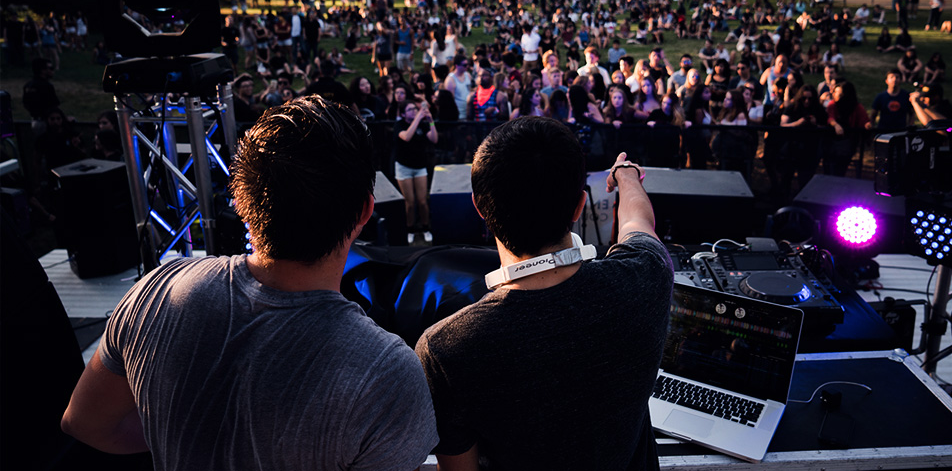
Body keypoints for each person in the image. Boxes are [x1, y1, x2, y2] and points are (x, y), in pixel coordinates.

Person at [62, 96, 438, 469]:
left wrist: (177, 431)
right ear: (365, 211)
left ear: (242, 202)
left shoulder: (156, 291)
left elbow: (84, 422)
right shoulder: (388, 376)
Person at [416, 117, 672, 471]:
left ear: (480, 209)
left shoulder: (444, 350)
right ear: (580, 206)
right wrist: (626, 174)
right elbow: (638, 224)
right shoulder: (647, 277)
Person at [396, 99, 438, 244]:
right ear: (403, 113)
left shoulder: (422, 124)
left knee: (422, 201)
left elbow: (434, 139)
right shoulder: (399, 125)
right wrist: (419, 118)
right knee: (410, 202)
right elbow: (406, 137)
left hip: (420, 167)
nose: (414, 111)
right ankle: (410, 229)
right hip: (404, 168)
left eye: (415, 108)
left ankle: (426, 228)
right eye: (410, 109)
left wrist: (431, 121)